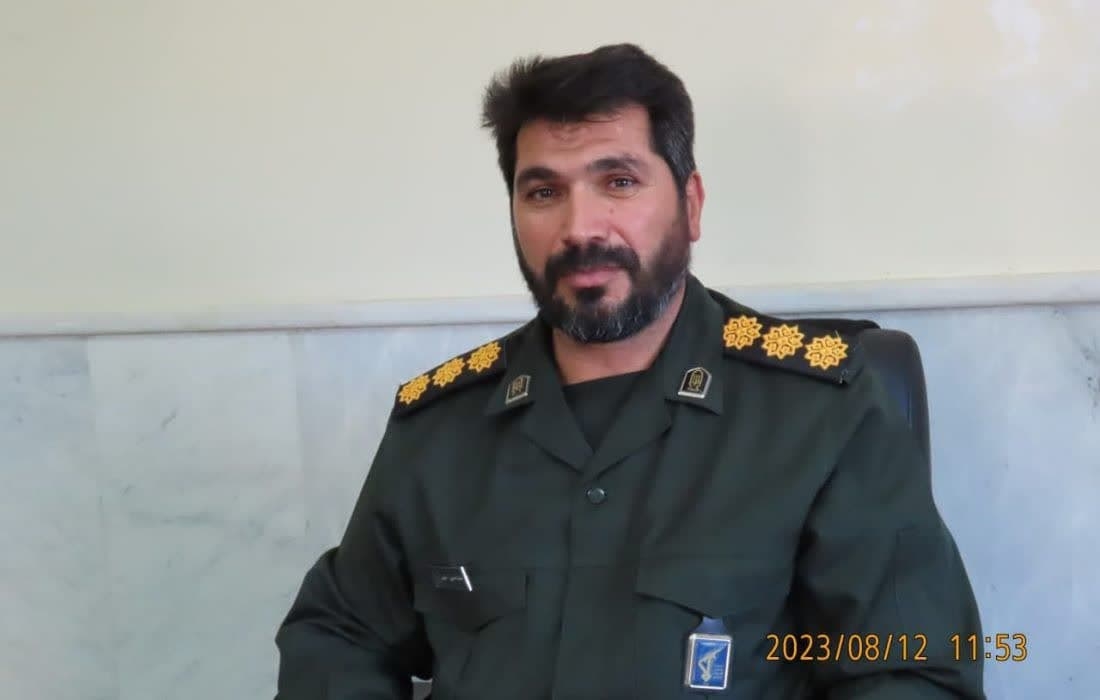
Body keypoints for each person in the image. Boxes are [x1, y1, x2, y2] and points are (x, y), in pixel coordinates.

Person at [274, 43, 985, 699]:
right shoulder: (440, 426)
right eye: (543, 192)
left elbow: (913, 671)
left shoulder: (821, 410)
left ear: (690, 205)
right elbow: (341, 634)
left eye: (618, 181)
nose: (580, 228)